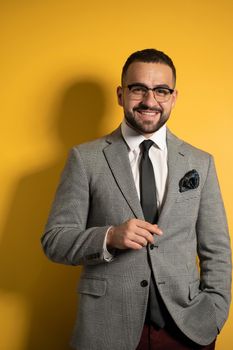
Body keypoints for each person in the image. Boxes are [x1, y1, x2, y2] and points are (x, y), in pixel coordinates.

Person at [41, 49, 232, 350]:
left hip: (187, 330)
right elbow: (55, 240)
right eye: (138, 89)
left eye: (161, 91)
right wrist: (109, 237)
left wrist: (214, 311)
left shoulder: (200, 162)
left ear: (173, 97)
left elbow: (217, 249)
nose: (149, 101)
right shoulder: (85, 159)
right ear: (121, 93)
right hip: (106, 330)